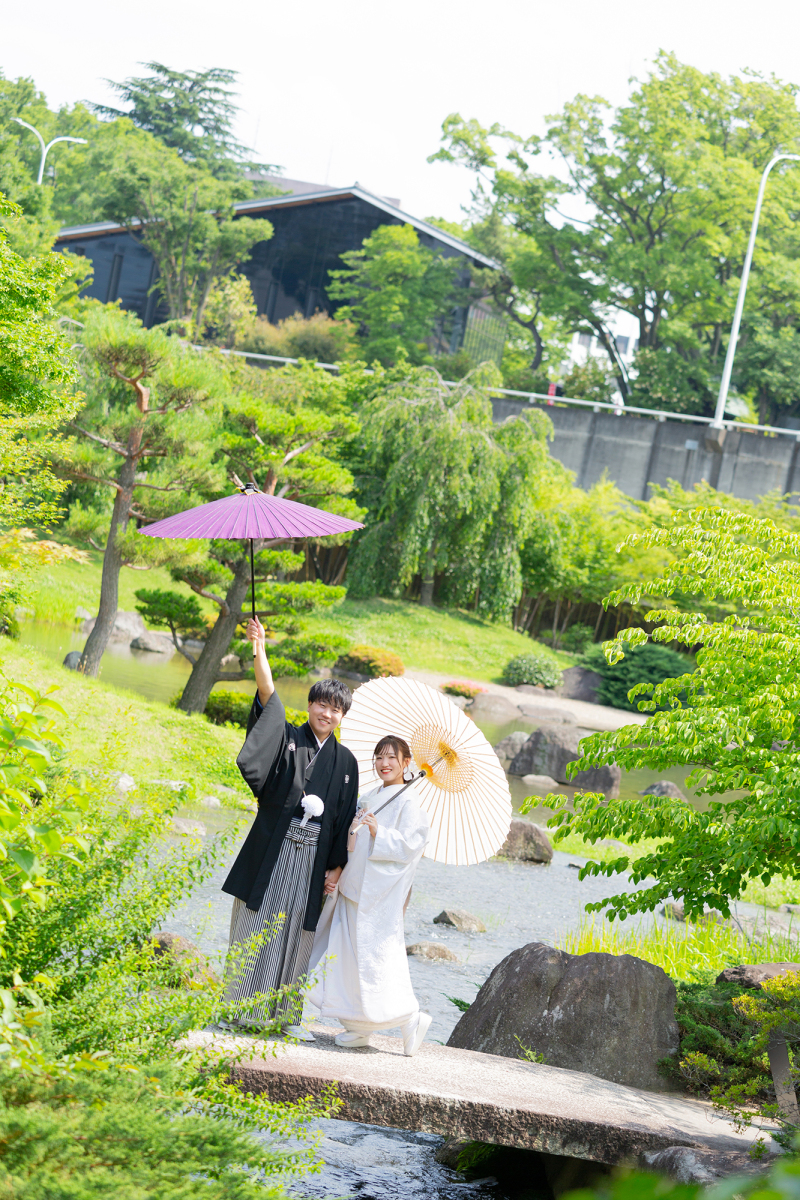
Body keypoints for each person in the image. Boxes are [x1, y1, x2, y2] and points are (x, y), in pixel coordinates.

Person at [222, 615, 358, 1040]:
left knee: (298, 930)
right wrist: (259, 648)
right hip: (273, 850)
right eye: (322, 705)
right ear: (311, 705)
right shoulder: (288, 738)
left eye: (336, 709)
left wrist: (337, 868)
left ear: (342, 715)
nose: (328, 713)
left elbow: (342, 818)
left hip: (314, 860)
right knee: (255, 921)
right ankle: (237, 1010)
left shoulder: (346, 763)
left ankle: (285, 1017)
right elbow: (268, 692)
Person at [306, 734, 432, 1056]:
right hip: (354, 885)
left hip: (377, 895)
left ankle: (410, 1017)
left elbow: (411, 845)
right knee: (347, 958)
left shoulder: (408, 802)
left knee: (377, 959)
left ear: (407, 763)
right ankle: (358, 1025)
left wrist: (380, 833)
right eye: (379, 757)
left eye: (392, 757)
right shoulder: (373, 795)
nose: (384, 763)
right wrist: (339, 870)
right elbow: (353, 842)